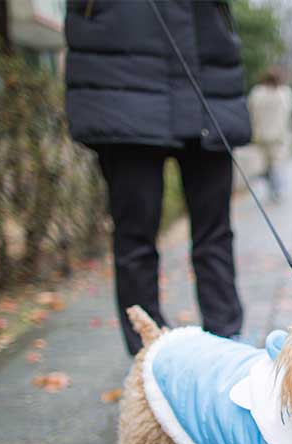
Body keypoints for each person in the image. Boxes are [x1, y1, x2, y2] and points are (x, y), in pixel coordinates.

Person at [64, 0, 251, 355]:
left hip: (207, 79)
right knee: (135, 237)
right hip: (120, 83)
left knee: (215, 233)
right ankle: (148, 357)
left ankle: (228, 346)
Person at [248, 68, 292, 202]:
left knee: (267, 165)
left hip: (261, 136)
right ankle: (276, 190)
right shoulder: (284, 93)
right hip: (279, 137)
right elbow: (290, 111)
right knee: (276, 165)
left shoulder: (257, 93)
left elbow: (250, 110)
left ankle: (272, 187)